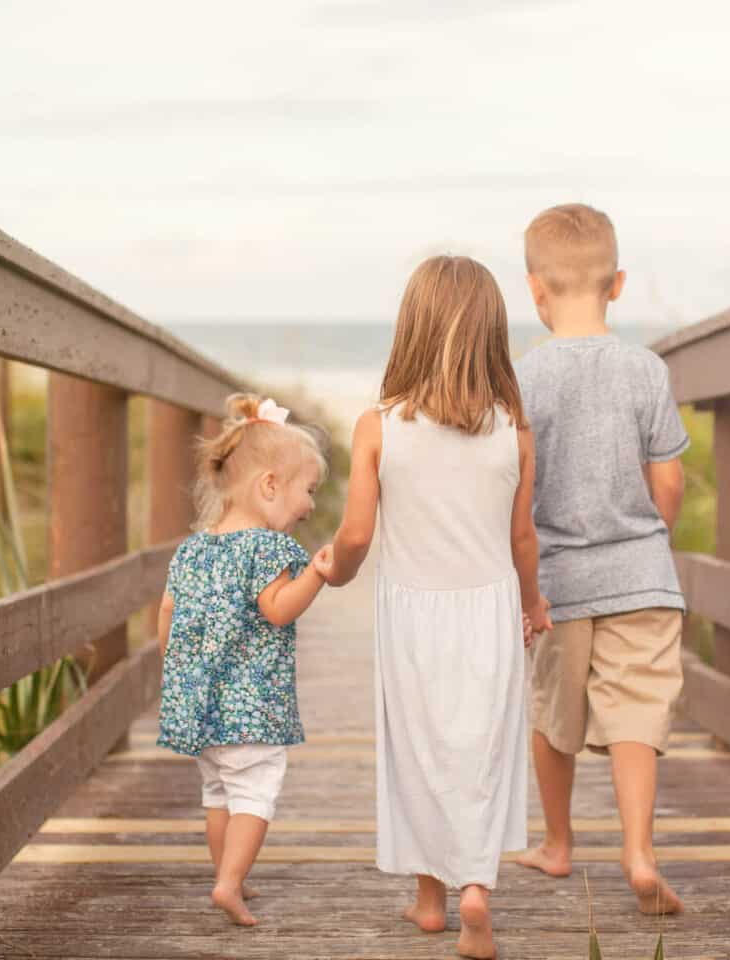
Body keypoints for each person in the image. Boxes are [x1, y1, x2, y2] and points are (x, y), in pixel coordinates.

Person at [317, 255, 549, 959]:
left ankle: (429, 902)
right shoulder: (514, 430)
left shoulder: (378, 427)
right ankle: (474, 887)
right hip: (488, 611)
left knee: (419, 747)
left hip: (413, 615)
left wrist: (335, 570)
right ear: (492, 333)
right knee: (480, 748)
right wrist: (534, 606)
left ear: (410, 331)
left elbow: (356, 532)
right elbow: (522, 538)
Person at [513, 204, 690, 915]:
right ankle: (639, 851)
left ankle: (558, 844)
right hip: (642, 575)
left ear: (535, 290)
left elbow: (516, 489)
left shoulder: (521, 378)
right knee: (637, 715)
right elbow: (668, 479)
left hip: (557, 582)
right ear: (617, 284)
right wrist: (652, 536)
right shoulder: (646, 370)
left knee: (554, 714)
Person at [155, 393, 331, 927]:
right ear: (270, 485)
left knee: (218, 792)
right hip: (251, 708)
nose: (311, 505)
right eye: (309, 490)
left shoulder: (192, 548)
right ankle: (229, 883)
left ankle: (226, 874)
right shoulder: (269, 549)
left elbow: (167, 612)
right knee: (255, 790)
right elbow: (277, 610)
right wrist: (316, 575)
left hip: (200, 704)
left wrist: (177, 673)